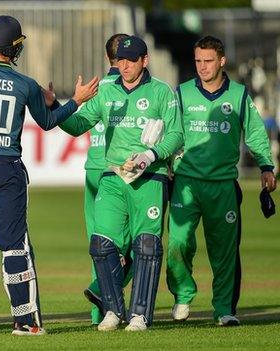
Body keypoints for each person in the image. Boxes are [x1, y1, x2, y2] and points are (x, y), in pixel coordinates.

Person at [0, 15, 98, 336]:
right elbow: (49, 121)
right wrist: (75, 101)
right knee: (14, 246)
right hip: (6, 168)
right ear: (15, 48)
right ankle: (25, 321)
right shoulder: (25, 85)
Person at [59, 35, 183, 331]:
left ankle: (140, 315)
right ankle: (113, 310)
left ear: (145, 61)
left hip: (149, 178)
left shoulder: (161, 92)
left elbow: (176, 135)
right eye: (121, 60)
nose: (124, 66)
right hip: (113, 177)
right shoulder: (106, 92)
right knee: (101, 245)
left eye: (131, 60)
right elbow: (77, 126)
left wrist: (150, 155)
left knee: (147, 246)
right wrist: (59, 107)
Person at [166, 35, 276, 326]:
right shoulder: (182, 93)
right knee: (178, 243)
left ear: (222, 61)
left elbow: (254, 133)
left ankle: (224, 309)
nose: (202, 67)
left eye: (208, 61)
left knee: (224, 251)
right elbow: (172, 133)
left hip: (223, 185)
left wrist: (266, 166)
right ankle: (182, 294)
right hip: (186, 181)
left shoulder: (239, 95)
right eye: (198, 61)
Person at [81, 33, 134, 326]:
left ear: (106, 57)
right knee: (133, 246)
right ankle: (103, 293)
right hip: (122, 171)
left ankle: (98, 313)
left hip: (93, 168)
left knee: (99, 243)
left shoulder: (96, 88)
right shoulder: (136, 86)